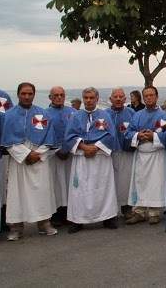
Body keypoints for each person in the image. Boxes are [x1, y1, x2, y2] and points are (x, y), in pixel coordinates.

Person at [0, 82, 58, 241]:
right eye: (23, 93)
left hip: (39, 158)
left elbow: (49, 138)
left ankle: (44, 223)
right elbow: (7, 140)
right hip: (19, 159)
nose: (27, 96)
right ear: (18, 94)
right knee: (17, 193)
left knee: (42, 191)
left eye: (30, 94)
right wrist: (26, 154)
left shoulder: (43, 114)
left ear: (34, 94)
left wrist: (37, 154)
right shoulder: (9, 115)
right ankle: (16, 227)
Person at [65, 87, 119, 233]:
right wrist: (83, 146)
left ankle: (107, 217)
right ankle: (78, 220)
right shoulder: (76, 116)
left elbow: (111, 135)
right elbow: (69, 136)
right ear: (83, 99)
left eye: (91, 98)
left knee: (103, 188)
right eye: (86, 98)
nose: (88, 100)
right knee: (80, 189)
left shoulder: (104, 115)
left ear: (96, 98)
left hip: (100, 158)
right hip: (82, 158)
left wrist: (95, 147)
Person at [124, 86, 166, 225]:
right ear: (143, 98)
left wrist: (154, 136)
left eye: (151, 95)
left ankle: (154, 212)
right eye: (146, 96)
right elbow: (128, 132)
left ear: (157, 97)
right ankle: (138, 211)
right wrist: (138, 135)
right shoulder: (137, 115)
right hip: (141, 154)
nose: (149, 98)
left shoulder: (164, 115)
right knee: (140, 183)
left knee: (156, 183)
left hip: (156, 154)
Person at [47, 86, 75, 226]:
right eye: (56, 95)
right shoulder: (44, 114)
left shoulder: (73, 112)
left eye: (62, 95)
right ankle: (56, 214)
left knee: (70, 182)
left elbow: (78, 131)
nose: (59, 97)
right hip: (53, 155)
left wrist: (69, 148)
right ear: (50, 97)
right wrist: (57, 150)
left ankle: (70, 213)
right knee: (55, 184)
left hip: (70, 154)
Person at [106, 87, 136, 219]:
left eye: (120, 97)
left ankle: (127, 207)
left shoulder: (131, 113)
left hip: (126, 152)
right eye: (115, 96)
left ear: (125, 99)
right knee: (109, 182)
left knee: (126, 181)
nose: (118, 99)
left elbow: (136, 130)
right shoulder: (104, 114)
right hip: (109, 154)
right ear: (110, 99)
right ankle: (109, 211)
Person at [0, 88, 13, 232]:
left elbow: (10, 119)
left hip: (0, 149)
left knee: (1, 188)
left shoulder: (3, 97)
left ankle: (1, 221)